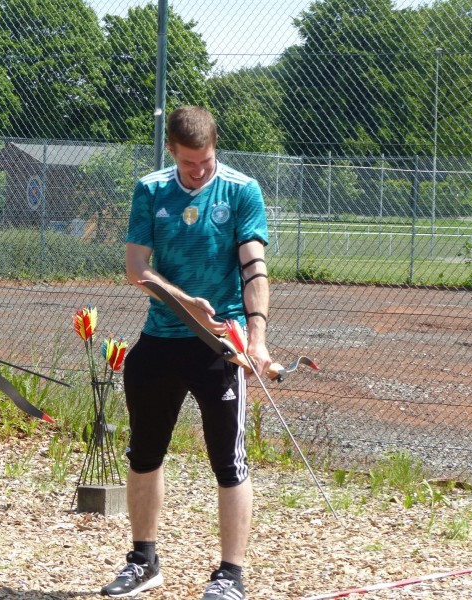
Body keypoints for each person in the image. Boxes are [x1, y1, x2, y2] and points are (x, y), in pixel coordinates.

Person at [101, 106, 271, 600]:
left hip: (219, 346)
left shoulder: (241, 190)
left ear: (216, 147)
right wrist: (183, 302)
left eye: (207, 160)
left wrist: (255, 338)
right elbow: (137, 269)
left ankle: (230, 575)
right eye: (189, 162)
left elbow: (254, 267)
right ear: (171, 150)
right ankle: (143, 561)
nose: (199, 170)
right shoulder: (150, 189)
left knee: (228, 461)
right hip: (160, 339)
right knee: (144, 453)